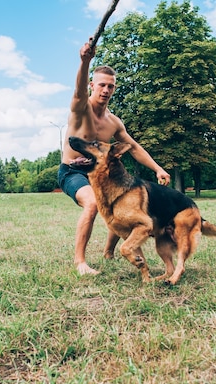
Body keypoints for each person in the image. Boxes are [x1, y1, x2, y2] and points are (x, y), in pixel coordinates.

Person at [58, 38, 171, 275]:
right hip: (74, 172)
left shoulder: (113, 122)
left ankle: (109, 251)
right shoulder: (81, 110)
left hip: (101, 173)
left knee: (121, 206)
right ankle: (80, 262)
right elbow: (78, 92)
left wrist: (158, 168)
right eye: (101, 85)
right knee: (92, 204)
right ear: (92, 85)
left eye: (110, 86)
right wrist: (85, 61)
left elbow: (134, 147)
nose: (106, 90)